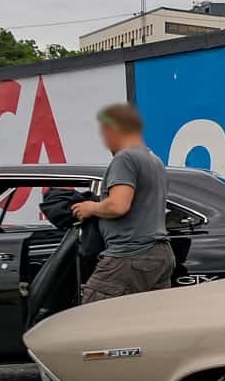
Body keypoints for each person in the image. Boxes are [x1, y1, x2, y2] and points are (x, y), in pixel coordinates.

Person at [71, 103, 174, 303]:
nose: (104, 141)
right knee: (144, 319)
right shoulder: (154, 160)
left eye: (104, 133)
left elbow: (118, 205)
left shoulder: (125, 158)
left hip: (129, 256)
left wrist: (90, 208)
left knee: (92, 315)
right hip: (160, 255)